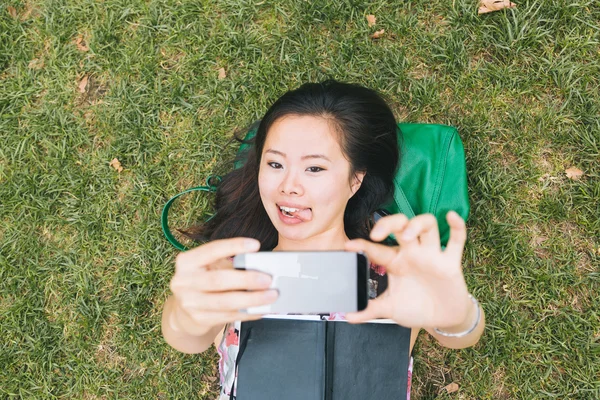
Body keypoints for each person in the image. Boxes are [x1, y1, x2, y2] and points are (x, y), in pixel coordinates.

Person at [161, 80, 485, 399]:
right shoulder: (234, 274)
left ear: (356, 180)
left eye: (314, 168)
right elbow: (188, 339)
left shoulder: (392, 276)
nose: (288, 186)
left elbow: (459, 335)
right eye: (275, 164)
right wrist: (184, 316)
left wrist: (457, 315)